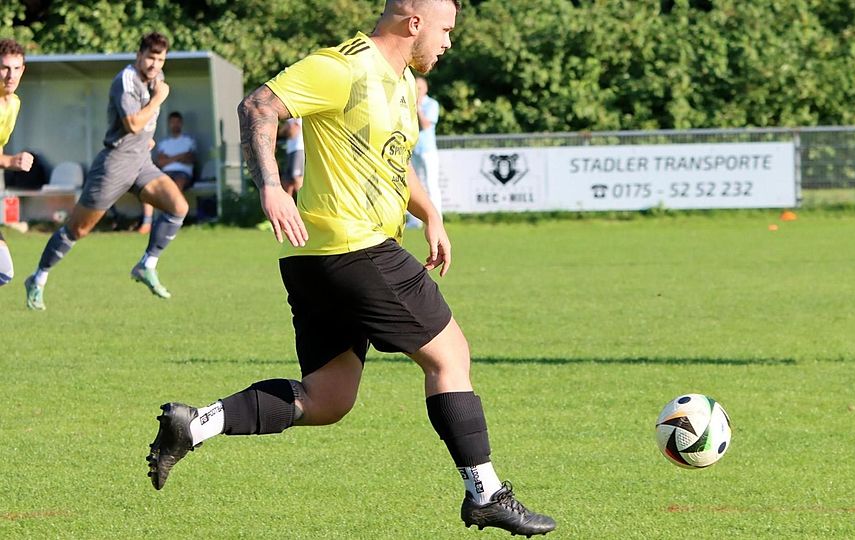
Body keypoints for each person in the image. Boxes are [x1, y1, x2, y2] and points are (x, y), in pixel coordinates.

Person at [146, 1, 556, 536]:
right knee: (451, 356)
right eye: (446, 30)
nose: (449, 42)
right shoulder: (342, 67)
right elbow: (258, 106)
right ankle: (485, 493)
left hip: (314, 261)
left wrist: (430, 213)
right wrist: (271, 186)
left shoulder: (402, 82)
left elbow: (392, 159)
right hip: (358, 249)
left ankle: (196, 424)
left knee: (328, 399)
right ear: (414, 24)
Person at [23, 32, 188, 310]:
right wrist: (158, 101)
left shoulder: (156, 81)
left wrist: (147, 138)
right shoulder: (125, 81)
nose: (154, 64)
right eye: (150, 57)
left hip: (141, 161)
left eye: (160, 59)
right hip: (115, 163)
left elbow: (142, 129)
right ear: (139, 55)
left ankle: (147, 265)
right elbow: (133, 124)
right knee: (78, 229)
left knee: (178, 207)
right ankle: (38, 279)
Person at [0, 38, 33, 287]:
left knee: (4, 271)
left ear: (23, 70)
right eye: (4, 68)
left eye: (16, 68)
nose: (10, 75)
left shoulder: (14, 103)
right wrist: (10, 160)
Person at [140, 111, 197, 233]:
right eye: (172, 122)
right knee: (148, 188)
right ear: (169, 124)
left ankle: (173, 221)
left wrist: (169, 158)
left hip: (183, 173)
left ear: (181, 123)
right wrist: (179, 157)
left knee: (175, 186)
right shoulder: (164, 142)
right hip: (165, 172)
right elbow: (160, 162)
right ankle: (147, 222)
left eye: (177, 122)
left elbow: (190, 158)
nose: (175, 125)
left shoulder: (188, 140)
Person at [407, 75, 442, 228]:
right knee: (416, 185)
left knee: (431, 184)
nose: (418, 91)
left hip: (428, 151)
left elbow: (426, 125)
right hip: (414, 150)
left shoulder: (431, 104)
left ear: (426, 88)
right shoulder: (408, 103)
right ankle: (415, 221)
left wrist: (418, 107)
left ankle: (436, 220)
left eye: (420, 88)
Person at [280, 117, 304, 196]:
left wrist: (287, 129)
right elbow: (281, 132)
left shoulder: (298, 117)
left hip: (298, 149)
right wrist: (288, 129)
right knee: (286, 180)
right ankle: (288, 206)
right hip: (290, 150)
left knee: (296, 177)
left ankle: (303, 200)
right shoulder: (290, 119)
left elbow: (293, 133)